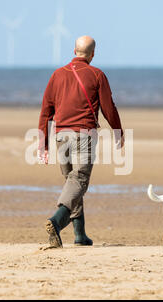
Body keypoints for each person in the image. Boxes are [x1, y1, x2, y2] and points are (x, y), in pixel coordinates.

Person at [38, 35, 124, 248]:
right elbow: (108, 107)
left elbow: (45, 111)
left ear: (73, 51)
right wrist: (118, 131)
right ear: (93, 54)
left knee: (72, 182)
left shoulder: (57, 75)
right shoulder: (97, 74)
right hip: (83, 134)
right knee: (79, 180)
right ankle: (56, 221)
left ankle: (80, 235)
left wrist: (44, 144)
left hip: (60, 136)